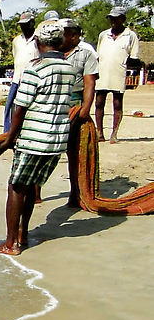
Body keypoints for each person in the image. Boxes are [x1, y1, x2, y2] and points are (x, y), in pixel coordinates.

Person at [0, 21, 75, 255]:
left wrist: (10, 138)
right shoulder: (69, 69)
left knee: (16, 187)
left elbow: (19, 108)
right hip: (56, 139)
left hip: (33, 139)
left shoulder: (35, 69)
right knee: (30, 187)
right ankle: (23, 234)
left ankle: (11, 243)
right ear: (60, 42)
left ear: (38, 43)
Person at [61, 19, 99, 207]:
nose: (61, 35)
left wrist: (85, 109)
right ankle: (36, 192)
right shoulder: (53, 52)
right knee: (44, 151)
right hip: (54, 104)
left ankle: (75, 193)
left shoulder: (86, 54)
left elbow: (89, 82)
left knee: (73, 152)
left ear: (75, 36)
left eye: (65, 32)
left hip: (74, 104)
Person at [95, 6, 140, 143]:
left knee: (117, 103)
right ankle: (100, 133)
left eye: (116, 18)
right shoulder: (103, 35)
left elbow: (134, 58)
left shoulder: (130, 36)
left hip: (119, 72)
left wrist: (130, 77)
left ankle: (114, 134)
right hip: (102, 72)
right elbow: (98, 55)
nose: (113, 21)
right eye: (111, 18)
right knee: (99, 103)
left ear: (123, 19)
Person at [3, 13, 39, 133]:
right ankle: (9, 132)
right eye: (21, 25)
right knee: (10, 107)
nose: (23, 27)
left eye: (26, 24)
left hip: (33, 80)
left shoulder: (39, 40)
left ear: (32, 23)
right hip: (17, 79)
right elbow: (16, 57)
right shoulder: (17, 41)